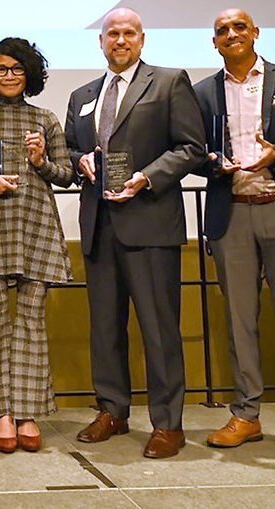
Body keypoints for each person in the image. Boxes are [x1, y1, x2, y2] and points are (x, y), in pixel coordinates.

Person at [64, 8, 205, 459]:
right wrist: (80, 159)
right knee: (105, 327)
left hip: (150, 222)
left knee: (160, 329)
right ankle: (112, 410)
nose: (119, 41)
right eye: (112, 34)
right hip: (99, 225)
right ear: (100, 42)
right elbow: (70, 148)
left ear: (142, 40)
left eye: (128, 34)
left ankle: (168, 423)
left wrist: (145, 176)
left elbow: (191, 148)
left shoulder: (168, 82)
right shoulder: (82, 94)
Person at [0, 38, 74, 454]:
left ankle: (27, 411)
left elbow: (66, 175)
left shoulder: (45, 118)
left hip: (35, 226)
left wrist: (41, 162)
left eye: (16, 69)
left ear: (30, 73)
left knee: (31, 321)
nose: (8, 76)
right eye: (1, 69)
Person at [193, 8, 275, 448]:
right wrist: (211, 162)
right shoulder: (202, 92)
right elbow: (188, 147)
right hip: (231, 213)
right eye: (221, 29)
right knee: (240, 320)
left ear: (256, 33)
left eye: (239, 26)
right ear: (214, 42)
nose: (231, 34)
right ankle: (247, 414)